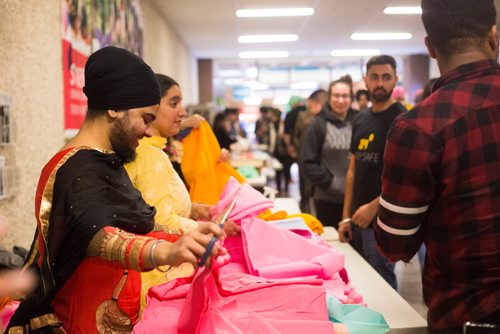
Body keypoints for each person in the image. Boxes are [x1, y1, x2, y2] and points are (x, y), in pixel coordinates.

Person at [7, 46, 224, 333]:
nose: (148, 131)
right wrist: (165, 253)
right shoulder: (76, 166)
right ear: (114, 108)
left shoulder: (106, 160)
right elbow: (98, 235)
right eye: (145, 118)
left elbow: (136, 221)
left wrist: (190, 233)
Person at [375, 0, 500, 331]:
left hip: (470, 317)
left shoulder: (418, 128)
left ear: (430, 47)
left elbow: (394, 244)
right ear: (494, 36)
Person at [125, 74, 240, 306]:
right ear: (151, 108)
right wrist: (208, 227)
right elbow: (156, 220)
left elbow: (156, 204)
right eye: (173, 103)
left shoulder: (156, 151)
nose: (183, 112)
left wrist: (196, 210)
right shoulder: (147, 155)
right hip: (159, 278)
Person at [338, 55, 406, 290]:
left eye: (386, 77)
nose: (380, 83)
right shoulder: (360, 119)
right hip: (357, 218)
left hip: (383, 221)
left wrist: (373, 207)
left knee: (382, 285)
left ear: (395, 80)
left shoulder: (404, 120)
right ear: (365, 80)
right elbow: (352, 170)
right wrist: (346, 216)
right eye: (374, 77)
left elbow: (406, 176)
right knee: (359, 285)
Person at [300, 75, 358, 228]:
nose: (340, 100)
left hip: (357, 200)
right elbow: (307, 162)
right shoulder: (318, 125)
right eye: (336, 95)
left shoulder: (360, 122)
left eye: (345, 96)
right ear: (329, 98)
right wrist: (332, 182)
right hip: (327, 199)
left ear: (351, 98)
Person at [294, 89, 327, 212]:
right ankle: (305, 211)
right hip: (305, 157)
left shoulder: (326, 119)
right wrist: (299, 151)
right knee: (305, 190)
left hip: (321, 161)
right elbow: (296, 136)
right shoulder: (303, 117)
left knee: (315, 192)